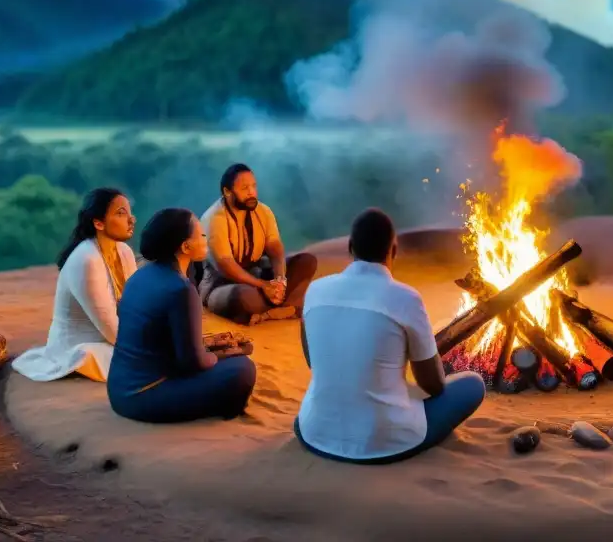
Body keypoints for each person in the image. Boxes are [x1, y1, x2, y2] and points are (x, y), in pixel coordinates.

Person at [295, 208, 485, 464]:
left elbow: (313, 362)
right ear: (393, 250)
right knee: (472, 384)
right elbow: (434, 385)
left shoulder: (315, 290)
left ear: (350, 247)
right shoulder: (405, 298)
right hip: (384, 442)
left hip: (314, 431)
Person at [107, 208, 257, 423]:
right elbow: (192, 363)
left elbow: (162, 341)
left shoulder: (139, 276)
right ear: (185, 246)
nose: (205, 236)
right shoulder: (180, 289)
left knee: (224, 355)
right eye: (200, 233)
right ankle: (223, 408)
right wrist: (226, 353)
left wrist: (215, 348)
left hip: (119, 392)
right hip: (144, 396)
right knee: (242, 369)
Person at [12, 188, 137, 382]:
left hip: (114, 339)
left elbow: (136, 308)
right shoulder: (87, 259)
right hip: (81, 347)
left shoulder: (124, 251)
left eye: (130, 212)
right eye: (121, 213)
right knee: (150, 358)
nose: (131, 219)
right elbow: (112, 331)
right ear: (98, 223)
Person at [196, 163, 318, 325]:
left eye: (254, 186)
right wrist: (263, 286)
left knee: (306, 261)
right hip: (223, 285)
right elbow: (226, 265)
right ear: (227, 192)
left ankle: (271, 306)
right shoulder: (214, 219)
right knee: (244, 297)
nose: (252, 192)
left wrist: (280, 280)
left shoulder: (263, 211)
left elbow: (275, 247)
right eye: (245, 188)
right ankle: (279, 307)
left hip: (258, 276)